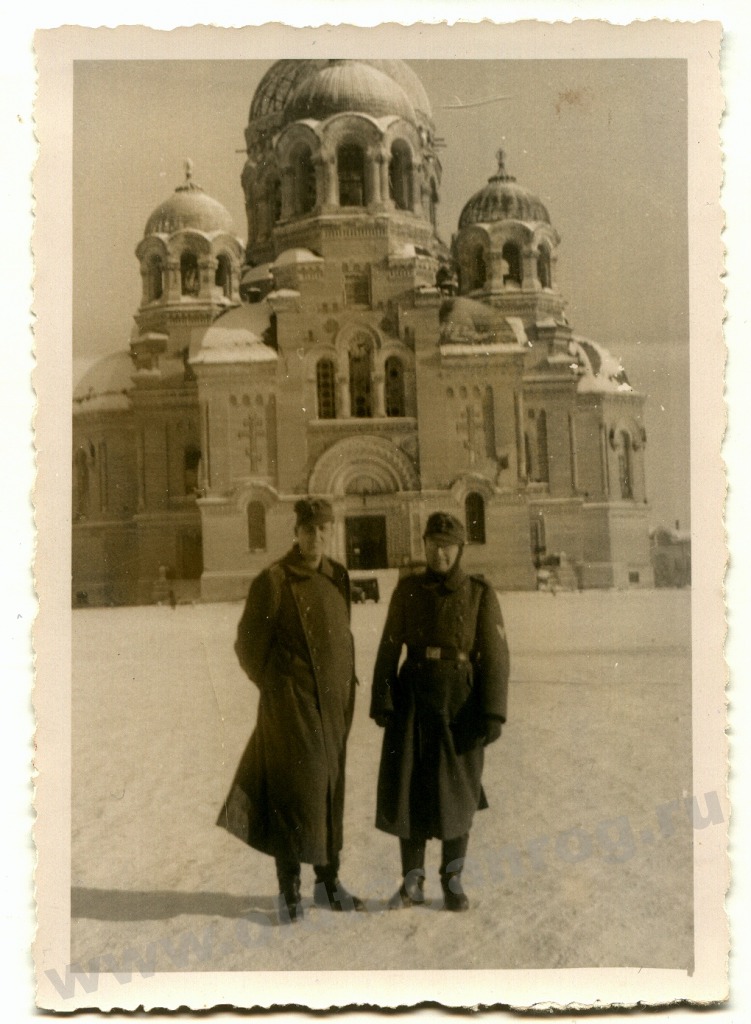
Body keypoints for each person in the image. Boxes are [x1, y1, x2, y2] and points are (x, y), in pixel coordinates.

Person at [217, 498, 364, 922]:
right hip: (291, 707)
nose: (315, 537)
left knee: (329, 791)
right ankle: (290, 891)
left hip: (334, 706)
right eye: (308, 529)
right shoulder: (275, 580)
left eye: (323, 530)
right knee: (294, 795)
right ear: (295, 532)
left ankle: (328, 882)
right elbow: (247, 644)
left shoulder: (338, 576)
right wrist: (277, 686)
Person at [370, 511, 509, 911]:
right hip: (413, 701)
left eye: (446, 545)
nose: (439, 552)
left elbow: (496, 656)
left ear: (460, 548)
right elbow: (388, 647)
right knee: (410, 791)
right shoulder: (407, 590)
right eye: (432, 544)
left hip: (460, 707)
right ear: (425, 546)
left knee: (458, 796)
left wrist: (493, 712)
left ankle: (453, 882)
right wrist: (383, 698)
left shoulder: (479, 593)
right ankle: (412, 883)